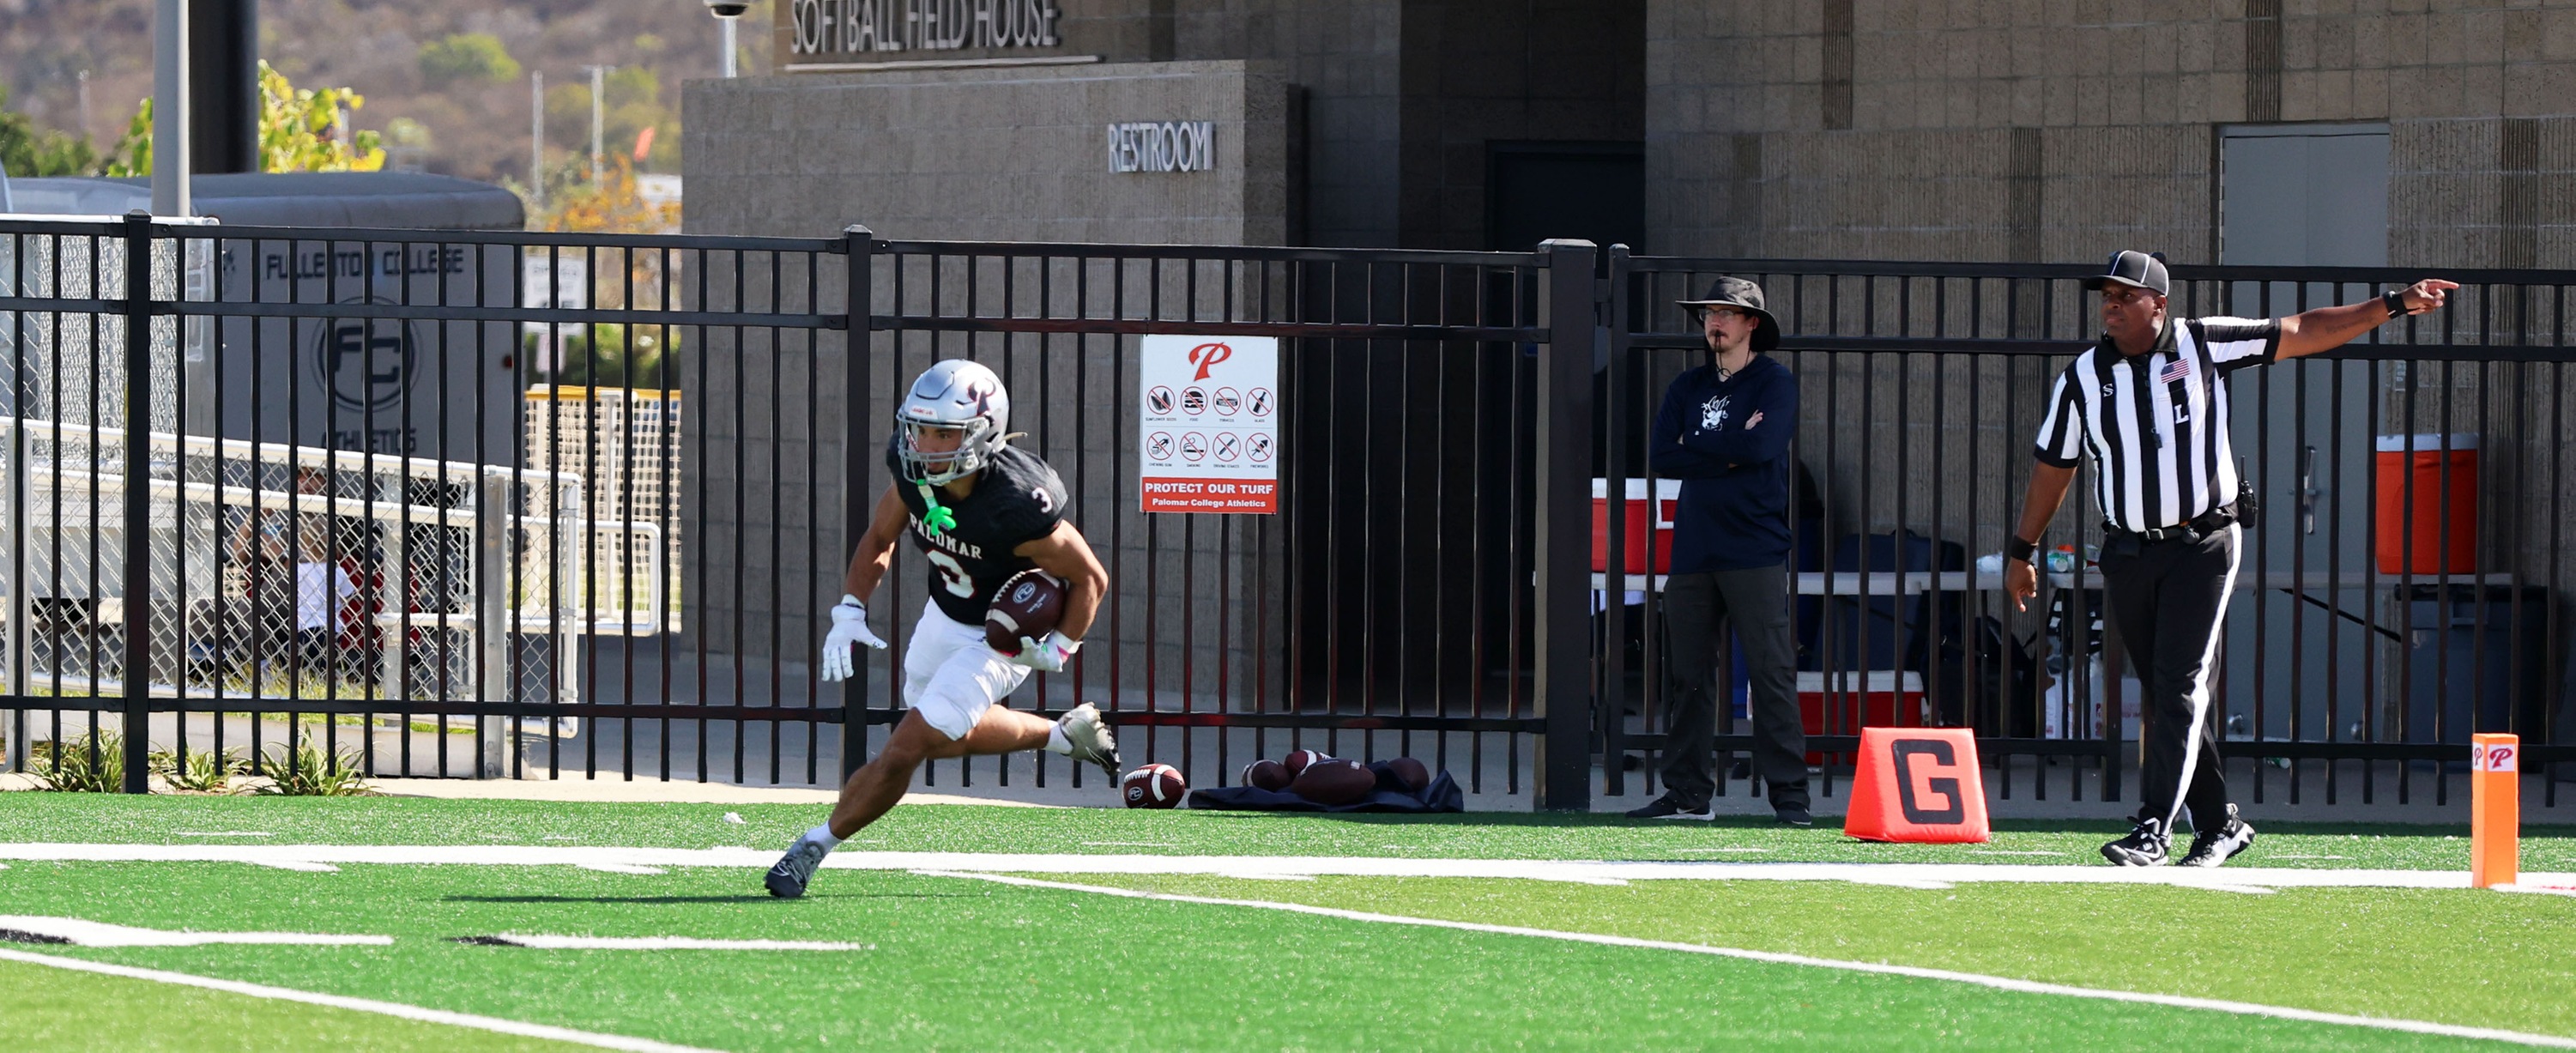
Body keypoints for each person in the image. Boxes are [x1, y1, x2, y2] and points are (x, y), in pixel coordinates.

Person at [2006, 250, 2456, 867]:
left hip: (2204, 543)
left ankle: (2152, 828)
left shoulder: (2202, 344)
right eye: (2104, 295)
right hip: (2129, 551)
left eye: (2124, 295)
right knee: (2169, 696)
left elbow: (2304, 330)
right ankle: (2220, 824)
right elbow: (2053, 467)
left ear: (2158, 304)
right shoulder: (2083, 377)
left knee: (2180, 683)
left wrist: (2395, 303)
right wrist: (2020, 549)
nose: (2110, 305)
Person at [765, 359, 1121, 898]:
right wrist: (850, 610)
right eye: (921, 430)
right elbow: (879, 536)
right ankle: (1061, 735)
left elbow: (1090, 576)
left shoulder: (1017, 504)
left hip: (999, 641)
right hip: (943, 618)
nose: (928, 446)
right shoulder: (911, 472)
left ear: (984, 433)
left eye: (945, 434)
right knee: (938, 739)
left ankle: (813, 847)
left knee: (905, 747)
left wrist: (1061, 648)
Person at [1625, 276, 1812, 826]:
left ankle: (1791, 799)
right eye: (1709, 312)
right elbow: (1663, 454)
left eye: (1727, 313)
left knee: (1770, 672)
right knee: (1689, 676)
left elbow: (1763, 445)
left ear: (1751, 323)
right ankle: (1686, 795)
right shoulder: (1687, 387)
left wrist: (1699, 447)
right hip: (1694, 550)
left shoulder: (1773, 383)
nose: (1715, 321)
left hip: (1754, 547)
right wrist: (1725, 452)